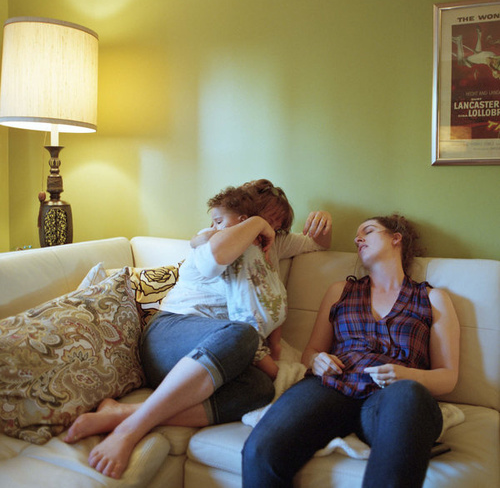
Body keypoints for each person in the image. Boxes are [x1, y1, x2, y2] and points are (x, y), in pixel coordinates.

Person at [63, 179, 332, 480]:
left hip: (213, 359)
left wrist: (324, 221)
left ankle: (121, 413)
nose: (274, 228)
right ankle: (130, 429)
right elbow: (218, 258)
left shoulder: (272, 244)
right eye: (268, 219)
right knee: (242, 333)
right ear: (245, 216)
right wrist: (256, 225)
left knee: (260, 388)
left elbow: (318, 244)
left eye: (279, 225)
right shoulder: (215, 237)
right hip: (170, 337)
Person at [242, 214, 460, 488]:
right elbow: (311, 351)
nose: (358, 239)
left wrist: (407, 376)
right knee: (261, 450)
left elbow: (448, 376)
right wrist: (317, 360)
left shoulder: (432, 299)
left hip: (392, 397)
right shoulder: (340, 291)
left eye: (368, 231)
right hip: (334, 387)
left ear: (396, 238)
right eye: (357, 236)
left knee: (407, 394)